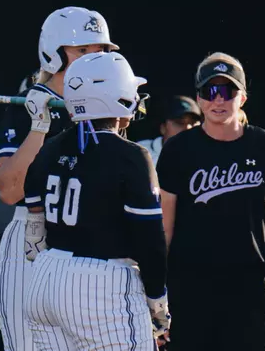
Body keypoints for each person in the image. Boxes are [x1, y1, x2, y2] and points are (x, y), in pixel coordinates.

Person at [0, 6, 120, 351]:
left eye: (100, 53)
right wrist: (39, 126)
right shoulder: (29, 104)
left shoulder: (109, 104)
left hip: (89, 239)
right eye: (82, 51)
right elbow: (7, 191)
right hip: (33, 236)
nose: (93, 60)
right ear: (54, 54)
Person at [21, 51, 170, 350]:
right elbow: (150, 240)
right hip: (100, 286)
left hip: (45, 278)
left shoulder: (51, 146)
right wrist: (157, 299)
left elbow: (32, 200)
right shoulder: (132, 155)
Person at [155, 51, 265, 350]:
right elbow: (163, 229)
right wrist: (155, 296)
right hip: (189, 294)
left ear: (242, 97)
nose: (218, 100)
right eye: (210, 91)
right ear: (199, 97)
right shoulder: (177, 151)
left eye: (227, 91)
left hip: (249, 295)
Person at [137, 95, 202, 166]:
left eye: (193, 123)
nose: (188, 127)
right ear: (163, 128)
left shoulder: (207, 155)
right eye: (180, 122)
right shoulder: (139, 153)